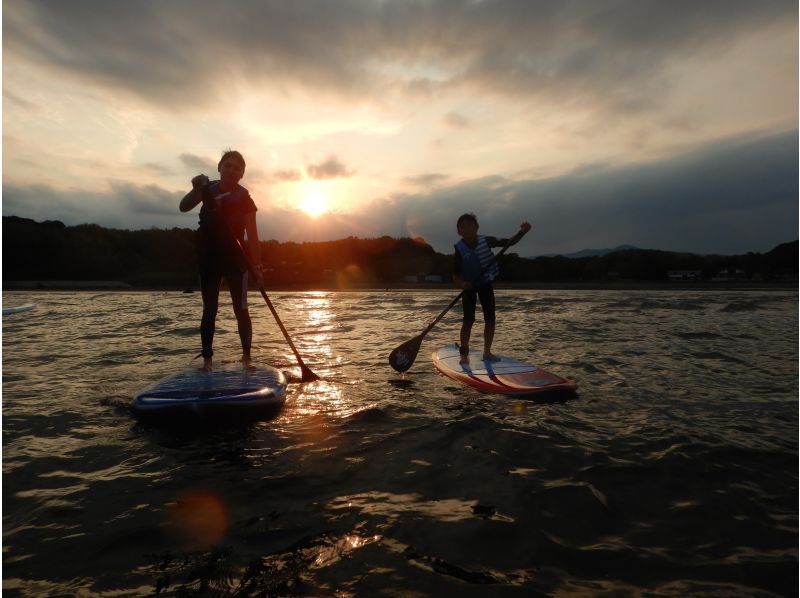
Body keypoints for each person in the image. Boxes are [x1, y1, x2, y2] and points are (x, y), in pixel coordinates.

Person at [179, 150, 263, 371]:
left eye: (237, 167)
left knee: (241, 308)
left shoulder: (245, 199)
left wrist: (257, 266)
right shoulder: (207, 189)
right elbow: (183, 206)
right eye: (228, 165)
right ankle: (207, 360)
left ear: (242, 174)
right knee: (210, 309)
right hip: (210, 255)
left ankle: (247, 357)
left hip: (236, 257)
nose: (231, 170)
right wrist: (197, 188)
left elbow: (253, 235)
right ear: (219, 167)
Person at [453, 213, 531, 365]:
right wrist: (462, 283)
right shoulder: (459, 248)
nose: (467, 228)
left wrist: (522, 231)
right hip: (468, 287)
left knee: (490, 319)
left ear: (476, 227)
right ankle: (464, 355)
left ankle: (487, 352)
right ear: (459, 231)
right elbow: (455, 275)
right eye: (463, 226)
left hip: (485, 283)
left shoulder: (486, 240)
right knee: (468, 320)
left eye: (470, 225)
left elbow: (509, 242)